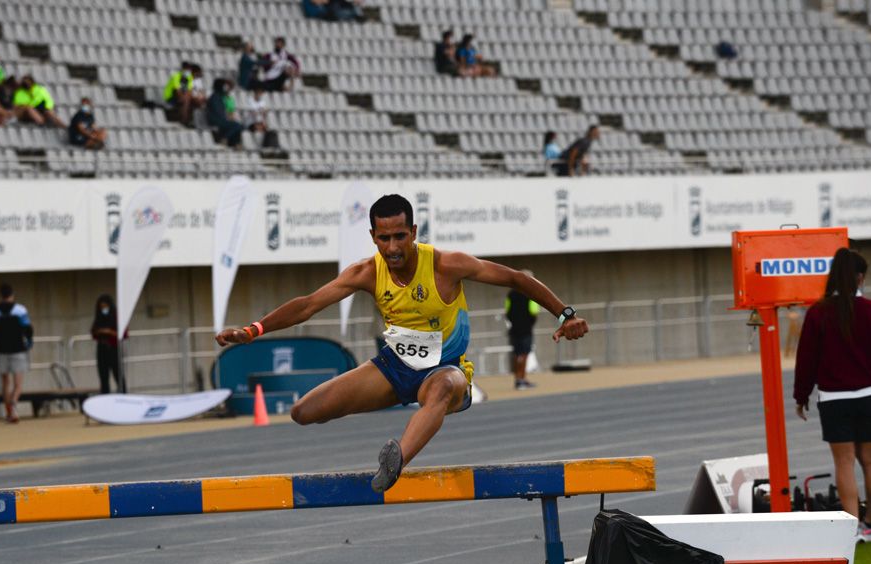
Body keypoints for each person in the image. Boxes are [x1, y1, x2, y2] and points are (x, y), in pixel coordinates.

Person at [214, 194, 589, 492]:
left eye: (399, 237)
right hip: (395, 368)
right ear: (373, 237)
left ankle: (396, 461)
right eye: (383, 238)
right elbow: (309, 305)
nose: (392, 247)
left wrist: (564, 314)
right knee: (303, 411)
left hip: (447, 369)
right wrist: (253, 330)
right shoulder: (366, 272)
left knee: (442, 387)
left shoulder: (446, 264)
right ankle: (396, 440)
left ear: (413, 231)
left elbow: (515, 279)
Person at [794, 247, 871, 543]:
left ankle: (850, 533)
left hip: (834, 398)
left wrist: (802, 396)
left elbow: (807, 360)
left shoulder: (818, 312)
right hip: (870, 396)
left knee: (844, 463)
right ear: (861, 277)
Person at [0, 283, 33, 423]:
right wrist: (29, 342)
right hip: (18, 349)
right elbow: (28, 328)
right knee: (18, 383)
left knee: (5, 383)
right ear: (12, 294)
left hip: (2, 350)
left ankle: (8, 412)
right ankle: (14, 404)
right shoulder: (20, 310)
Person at [505, 273, 540, 390]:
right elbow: (534, 311)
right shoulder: (531, 294)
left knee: (516, 354)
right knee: (524, 354)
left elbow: (507, 312)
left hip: (514, 328)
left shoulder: (511, 294)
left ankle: (517, 379)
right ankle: (522, 379)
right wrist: (530, 323)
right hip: (526, 328)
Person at [90, 294, 125, 394]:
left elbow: (123, 333)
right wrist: (100, 332)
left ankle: (123, 394)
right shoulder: (99, 318)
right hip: (102, 349)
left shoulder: (116, 317)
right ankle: (105, 396)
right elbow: (93, 332)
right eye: (101, 307)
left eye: (105, 307)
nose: (103, 309)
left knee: (118, 375)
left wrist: (109, 332)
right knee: (103, 376)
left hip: (113, 348)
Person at [207, 78, 244, 148]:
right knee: (238, 126)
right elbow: (217, 113)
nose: (226, 88)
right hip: (215, 121)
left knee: (237, 127)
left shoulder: (220, 97)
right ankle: (225, 138)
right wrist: (226, 118)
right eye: (225, 86)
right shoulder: (214, 97)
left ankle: (235, 143)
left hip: (221, 120)